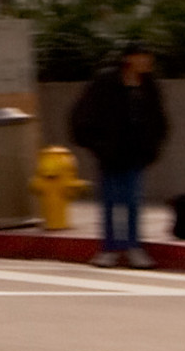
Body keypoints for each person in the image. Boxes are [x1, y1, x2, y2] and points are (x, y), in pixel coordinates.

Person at [68, 43, 169, 267]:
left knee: (133, 201)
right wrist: (97, 144)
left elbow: (158, 118)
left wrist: (152, 147)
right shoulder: (106, 82)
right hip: (110, 153)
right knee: (111, 201)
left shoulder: (149, 85)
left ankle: (134, 247)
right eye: (142, 57)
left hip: (136, 153)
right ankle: (109, 249)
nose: (146, 63)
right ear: (129, 59)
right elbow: (83, 114)